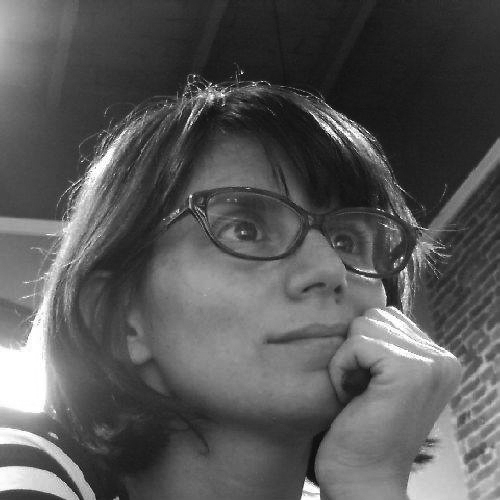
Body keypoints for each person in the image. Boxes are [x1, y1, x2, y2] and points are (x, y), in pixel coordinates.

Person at [0, 79, 461, 500]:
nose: (329, 269)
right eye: (245, 229)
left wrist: (368, 481)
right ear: (118, 321)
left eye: (347, 241)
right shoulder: (27, 468)